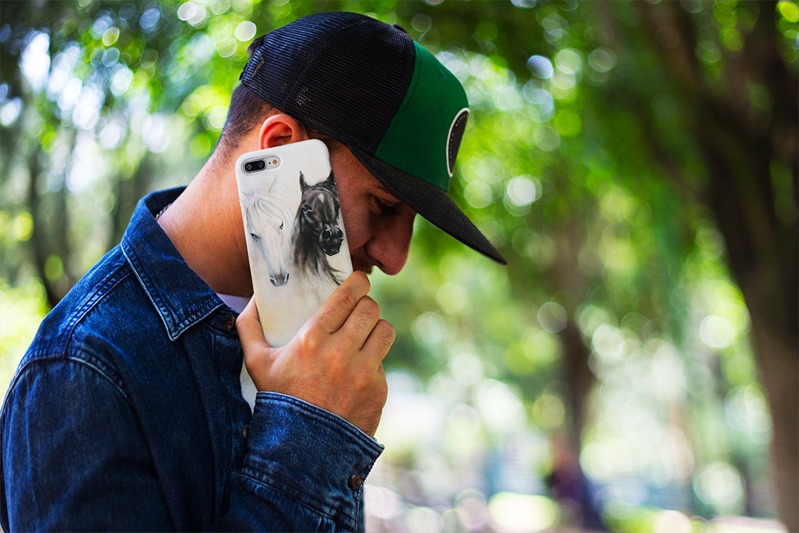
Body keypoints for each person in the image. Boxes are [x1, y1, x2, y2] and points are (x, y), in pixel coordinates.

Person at [0, 11, 506, 531]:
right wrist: (309, 432)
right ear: (281, 147)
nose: (395, 258)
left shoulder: (308, 341)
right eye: (382, 205)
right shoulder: (82, 369)